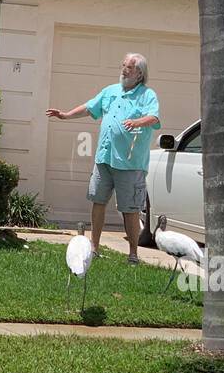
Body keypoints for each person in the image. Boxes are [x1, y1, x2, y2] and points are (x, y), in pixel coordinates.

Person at [46, 53, 160, 264]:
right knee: (98, 201)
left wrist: (137, 122)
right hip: (104, 158)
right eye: (123, 65)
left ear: (139, 73)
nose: (124, 70)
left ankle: (133, 255)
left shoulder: (147, 95)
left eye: (129, 67)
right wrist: (66, 115)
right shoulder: (111, 91)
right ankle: (94, 248)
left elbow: (154, 117)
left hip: (129, 163)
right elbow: (90, 107)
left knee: (130, 209)